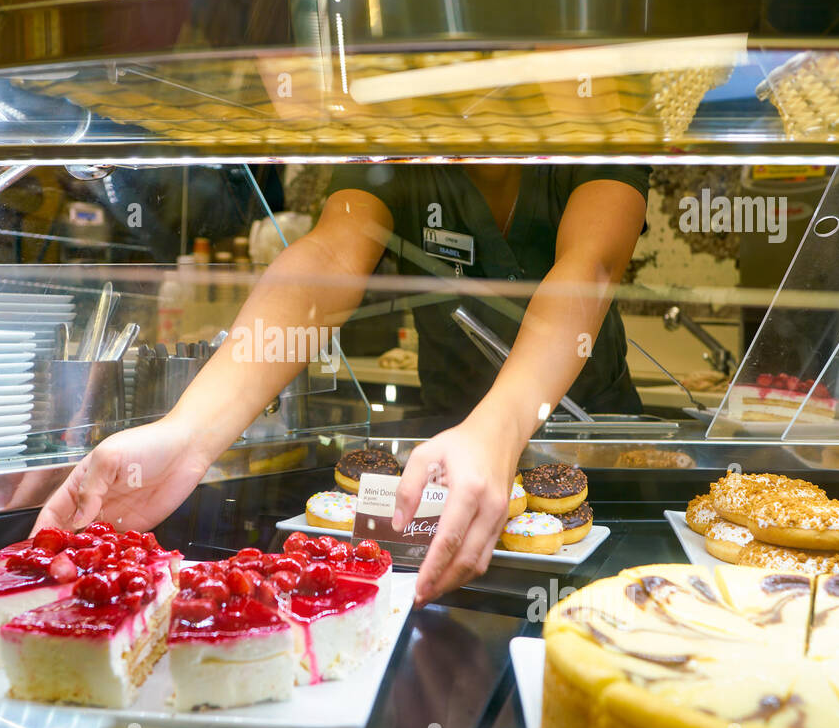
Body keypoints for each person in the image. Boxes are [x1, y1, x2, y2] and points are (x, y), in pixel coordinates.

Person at [35, 162, 650, 606]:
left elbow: (589, 266)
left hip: (600, 456)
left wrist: (499, 427)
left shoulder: (589, 105)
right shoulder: (397, 120)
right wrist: (188, 435)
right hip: (441, 471)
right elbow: (329, 260)